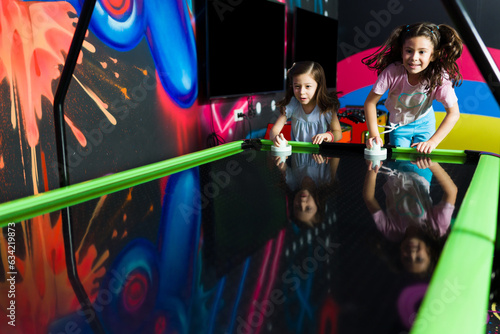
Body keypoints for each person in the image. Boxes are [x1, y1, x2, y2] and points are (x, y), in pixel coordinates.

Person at [362, 22, 463, 154]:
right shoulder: (392, 72)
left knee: (422, 163)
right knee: (399, 164)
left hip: (425, 123)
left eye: (422, 52)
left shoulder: (440, 77)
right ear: (402, 51)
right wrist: (374, 134)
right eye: (409, 51)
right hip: (398, 124)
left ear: (432, 55)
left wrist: (432, 142)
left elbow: (454, 113)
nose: (414, 58)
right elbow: (370, 103)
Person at [363, 157, 457, 277]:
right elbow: (452, 191)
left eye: (407, 259)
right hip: (420, 170)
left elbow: (369, 198)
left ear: (400, 256)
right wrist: (432, 164)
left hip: (393, 169)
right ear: (430, 253)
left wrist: (373, 167)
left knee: (395, 140)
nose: (412, 254)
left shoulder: (391, 231)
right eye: (419, 259)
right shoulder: (437, 228)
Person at [270, 61, 342, 147]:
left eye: (307, 86)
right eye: (297, 86)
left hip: (319, 157)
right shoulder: (292, 104)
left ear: (318, 86)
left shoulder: (326, 106)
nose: (301, 92)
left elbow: (338, 133)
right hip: (297, 157)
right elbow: (274, 130)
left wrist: (328, 135)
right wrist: (275, 137)